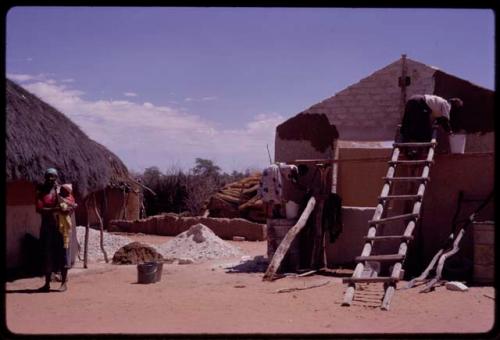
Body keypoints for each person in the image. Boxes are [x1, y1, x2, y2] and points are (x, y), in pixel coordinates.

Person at [36, 168, 70, 292]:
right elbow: (39, 209)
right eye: (48, 176)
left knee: (63, 253)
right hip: (46, 227)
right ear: (45, 177)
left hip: (59, 227)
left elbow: (69, 205)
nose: (51, 179)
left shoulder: (60, 191)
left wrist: (65, 209)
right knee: (47, 254)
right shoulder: (41, 192)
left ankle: (64, 283)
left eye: (53, 176)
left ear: (56, 178)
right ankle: (47, 284)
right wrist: (55, 210)